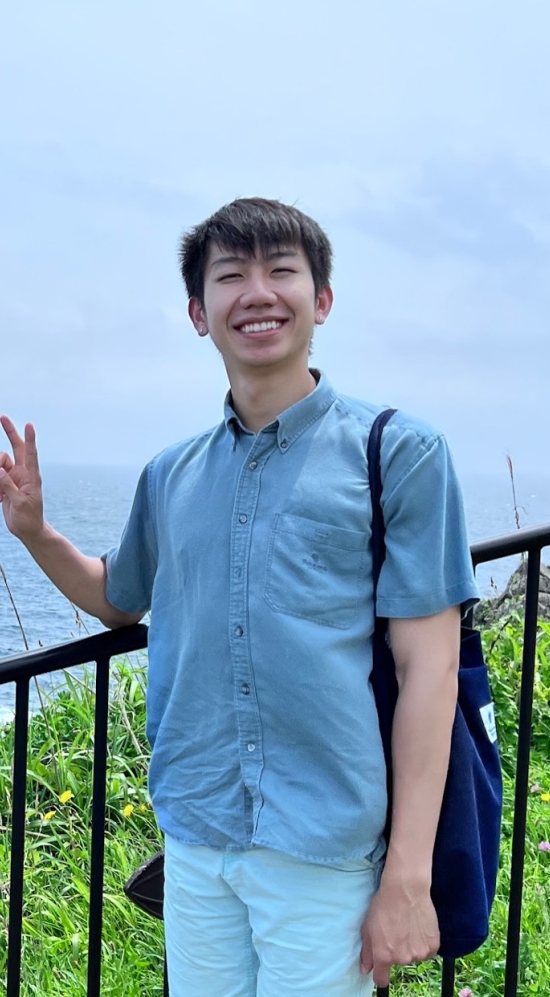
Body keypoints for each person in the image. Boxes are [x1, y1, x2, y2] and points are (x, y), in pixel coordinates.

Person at [0, 197, 479, 997]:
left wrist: (409, 877)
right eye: (231, 275)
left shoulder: (400, 452)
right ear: (199, 312)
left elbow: (428, 671)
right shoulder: (171, 475)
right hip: (196, 833)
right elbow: (120, 598)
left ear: (320, 300)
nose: (258, 291)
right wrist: (36, 532)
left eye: (282, 270)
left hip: (324, 844)